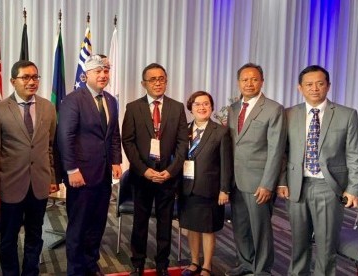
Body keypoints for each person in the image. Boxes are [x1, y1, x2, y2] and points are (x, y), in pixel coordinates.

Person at [277, 65, 358, 275]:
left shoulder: (346, 115)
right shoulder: (289, 114)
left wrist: (354, 189)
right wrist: (282, 181)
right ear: (300, 88)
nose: (314, 88)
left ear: (328, 86)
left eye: (320, 83)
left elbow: (355, 155)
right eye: (309, 84)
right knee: (299, 244)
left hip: (329, 187)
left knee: (326, 247)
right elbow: (282, 152)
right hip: (297, 186)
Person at [0, 60, 61, 275]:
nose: (32, 81)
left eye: (35, 77)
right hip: (10, 185)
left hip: (39, 183)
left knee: (35, 235)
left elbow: (49, 146)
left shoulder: (48, 107)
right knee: (8, 238)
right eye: (25, 77)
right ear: (12, 81)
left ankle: (31, 271)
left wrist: (53, 178)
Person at [57, 54, 122, 276]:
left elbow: (113, 135)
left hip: (103, 175)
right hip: (80, 175)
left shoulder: (111, 100)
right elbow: (65, 137)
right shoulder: (73, 100)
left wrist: (116, 161)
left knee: (97, 224)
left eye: (106, 71)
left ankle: (90, 265)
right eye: (98, 71)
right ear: (86, 75)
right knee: (79, 226)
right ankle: (75, 271)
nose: (103, 75)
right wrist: (72, 170)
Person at [122, 63, 188, 276]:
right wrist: (144, 171)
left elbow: (181, 144)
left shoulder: (176, 108)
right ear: (144, 83)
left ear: (166, 81)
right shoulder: (133, 107)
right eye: (153, 79)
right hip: (143, 177)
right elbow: (128, 142)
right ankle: (138, 263)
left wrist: (171, 170)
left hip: (168, 176)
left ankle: (162, 264)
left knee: (165, 223)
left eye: (162, 79)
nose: (158, 82)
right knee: (140, 222)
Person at [225, 63, 286, 276]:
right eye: (244, 80)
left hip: (259, 182)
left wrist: (268, 183)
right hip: (235, 181)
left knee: (260, 230)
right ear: (238, 82)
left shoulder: (273, 108)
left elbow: (276, 149)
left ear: (262, 81)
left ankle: (262, 270)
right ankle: (245, 264)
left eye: (254, 79)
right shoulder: (233, 109)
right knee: (240, 227)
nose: (249, 84)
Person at [179, 91, 233, 276]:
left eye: (206, 104)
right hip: (187, 189)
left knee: (208, 229)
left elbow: (226, 163)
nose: (202, 108)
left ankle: (207, 266)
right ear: (191, 108)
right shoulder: (183, 130)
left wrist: (224, 189)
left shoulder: (221, 131)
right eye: (197, 104)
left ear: (211, 107)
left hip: (210, 190)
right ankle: (194, 262)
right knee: (192, 227)